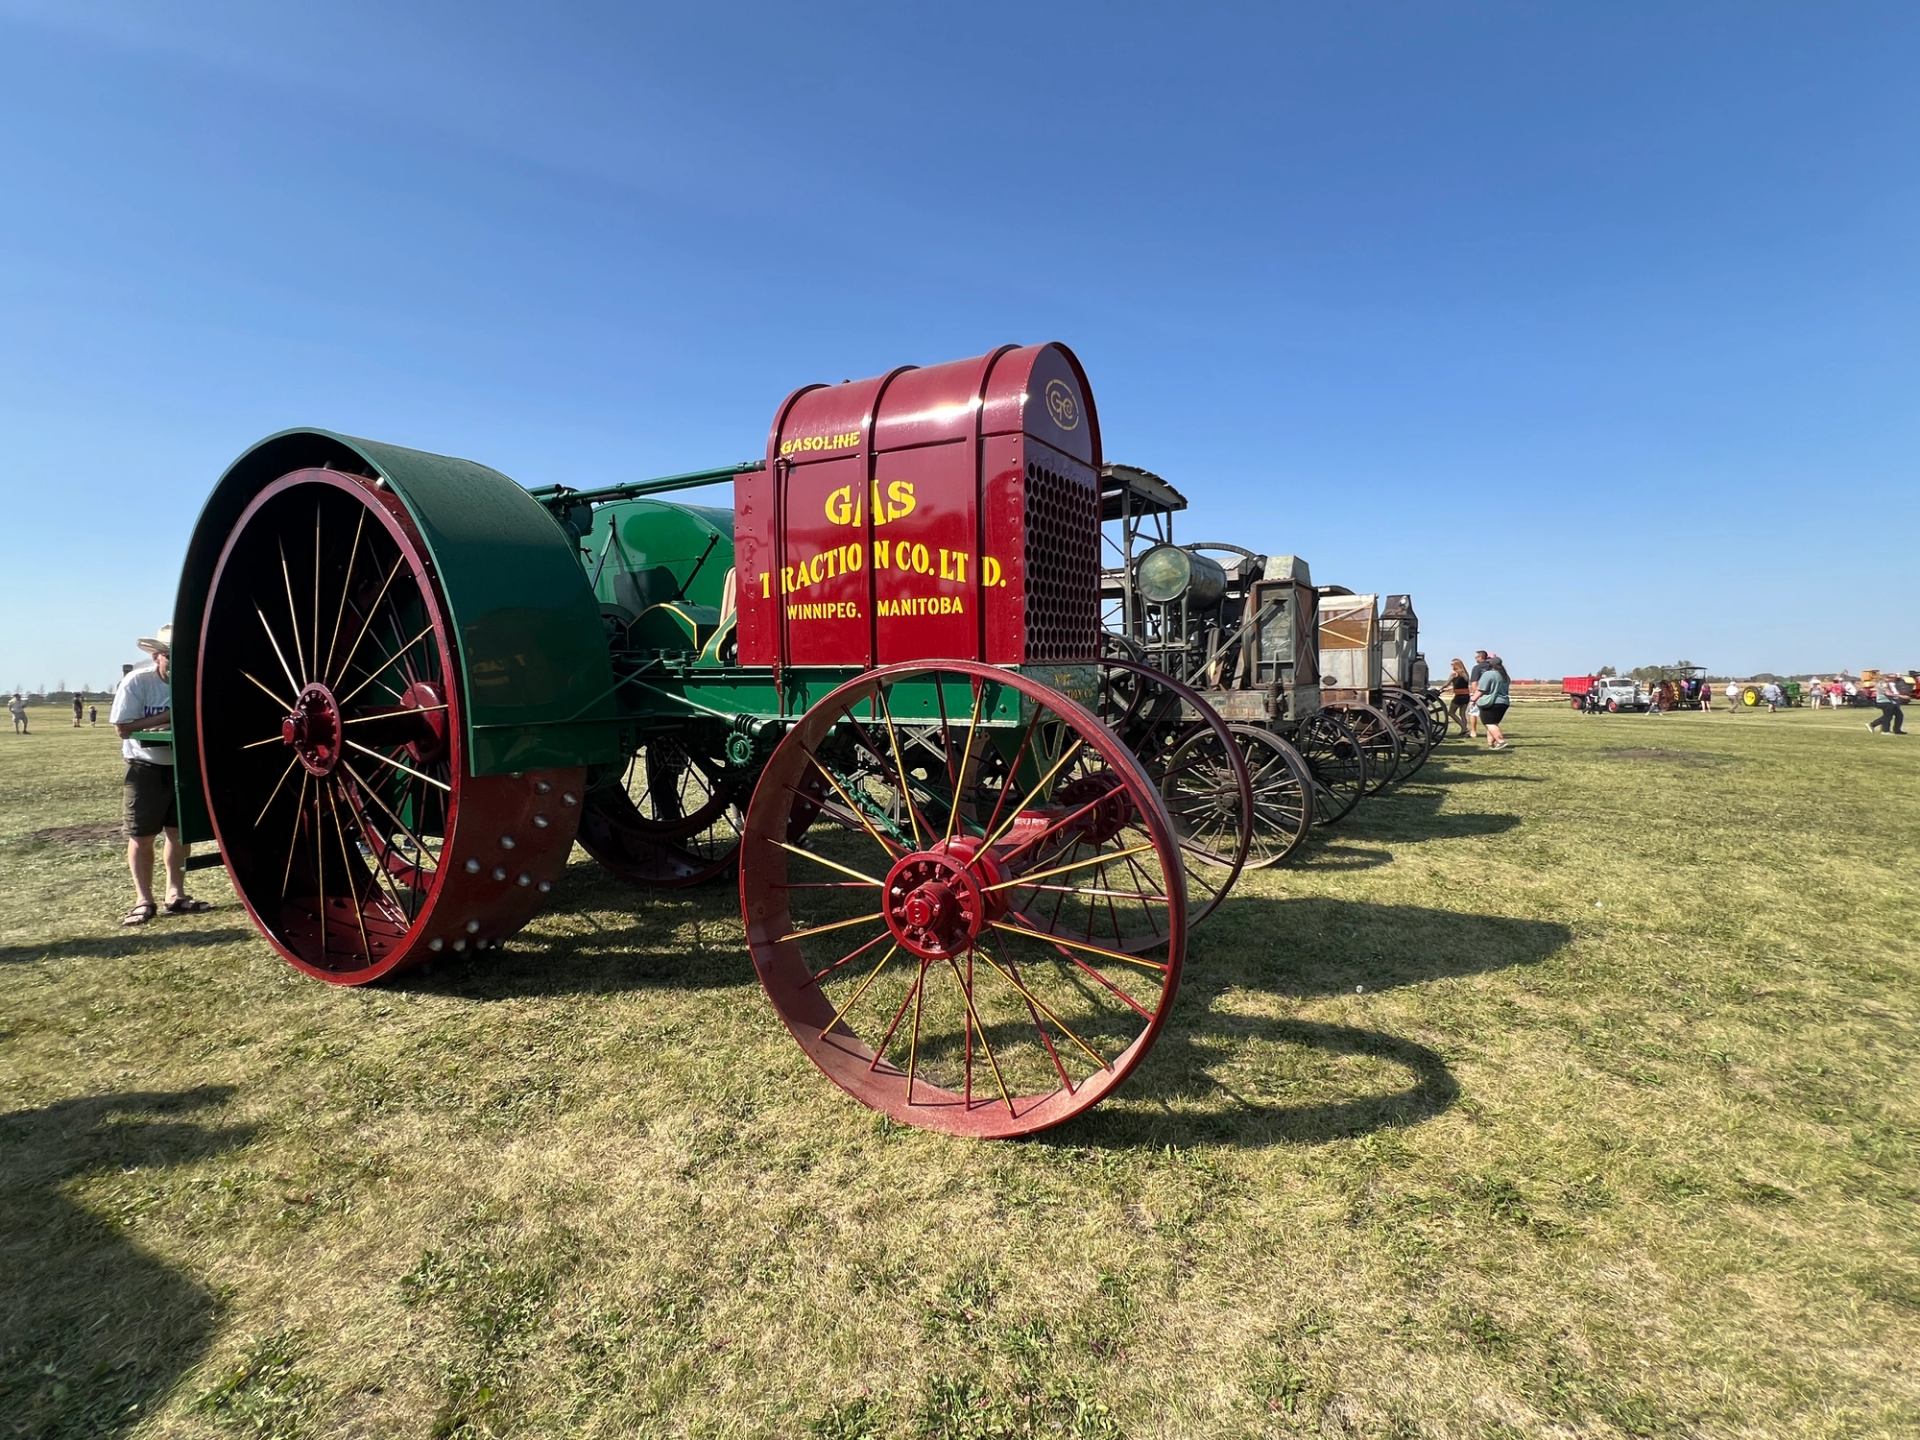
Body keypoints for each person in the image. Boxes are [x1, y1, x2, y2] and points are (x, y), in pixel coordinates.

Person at [110, 624, 212, 924]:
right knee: (142, 835)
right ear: (157, 656)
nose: (179, 666)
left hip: (182, 766)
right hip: (145, 768)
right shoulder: (137, 682)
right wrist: (166, 718)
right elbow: (123, 728)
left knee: (179, 834)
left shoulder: (191, 682)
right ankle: (144, 900)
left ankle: (175, 895)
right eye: (172, 658)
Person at [1475, 651, 1512, 750]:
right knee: (1493, 722)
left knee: (1488, 722)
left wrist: (1473, 699)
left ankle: (1500, 741)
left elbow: (1481, 689)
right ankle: (1491, 743)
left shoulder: (1489, 674)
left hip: (1491, 702)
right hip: (1503, 702)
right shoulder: (1505, 676)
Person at [1467, 649, 1491, 739]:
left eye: (1476, 657)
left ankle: (1473, 731)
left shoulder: (1477, 668)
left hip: (1479, 692)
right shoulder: (1491, 667)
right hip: (1490, 693)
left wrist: (1475, 694)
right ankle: (1490, 730)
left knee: (1473, 713)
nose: (1475, 659)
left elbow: (1474, 682)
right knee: (1488, 714)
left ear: (1481, 657)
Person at [1445, 658, 1471, 734]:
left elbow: (1447, 683)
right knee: (1462, 714)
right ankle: (1464, 731)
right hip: (1466, 695)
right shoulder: (1465, 673)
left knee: (1451, 712)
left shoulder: (1454, 673)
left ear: (1456, 665)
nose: (1451, 666)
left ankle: (1464, 728)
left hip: (1459, 696)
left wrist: (1442, 688)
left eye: (1452, 664)